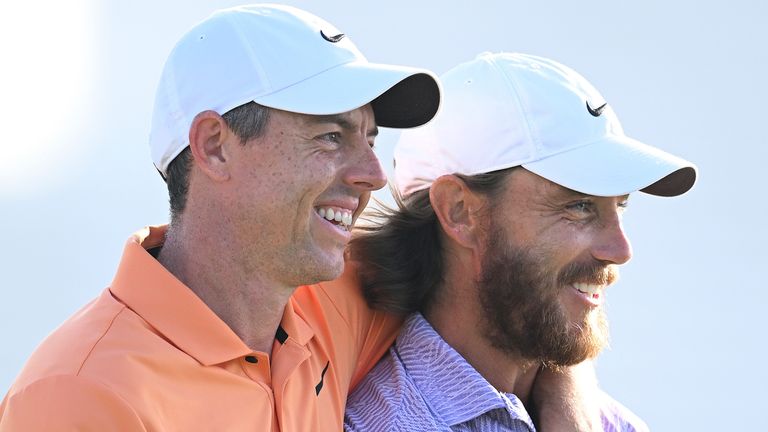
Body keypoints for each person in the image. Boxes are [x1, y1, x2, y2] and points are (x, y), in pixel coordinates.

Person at [0, 4, 441, 430]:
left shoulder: (338, 299)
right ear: (214, 146)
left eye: (370, 140)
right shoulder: (79, 394)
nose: (375, 176)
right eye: (329, 136)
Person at [344, 52, 697, 431]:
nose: (621, 250)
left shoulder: (614, 423)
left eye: (620, 206)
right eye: (579, 205)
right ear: (459, 211)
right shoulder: (381, 423)